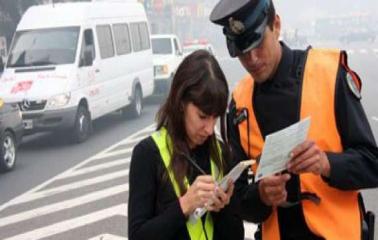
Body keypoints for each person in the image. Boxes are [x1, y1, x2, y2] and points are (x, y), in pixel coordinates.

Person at [210, 0, 378, 240]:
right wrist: (261, 196)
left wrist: (327, 163)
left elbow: (372, 164)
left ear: (276, 25)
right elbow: (238, 201)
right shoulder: (240, 104)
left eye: (258, 45)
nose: (253, 59)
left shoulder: (329, 73)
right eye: (242, 53)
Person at [128, 50, 244, 240]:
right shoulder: (147, 154)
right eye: (203, 116)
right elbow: (138, 235)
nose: (209, 129)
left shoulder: (221, 154)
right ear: (181, 102)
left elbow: (235, 235)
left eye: (215, 117)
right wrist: (184, 205)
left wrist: (224, 207)